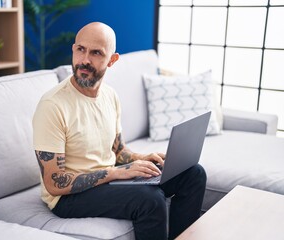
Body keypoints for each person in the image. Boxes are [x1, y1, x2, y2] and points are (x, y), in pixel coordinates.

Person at [32, 22, 206, 240]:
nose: (85, 60)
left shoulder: (110, 96)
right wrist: (116, 172)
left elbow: (118, 150)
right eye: (80, 49)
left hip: (108, 179)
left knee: (192, 174)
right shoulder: (52, 105)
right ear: (74, 50)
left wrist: (143, 159)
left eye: (96, 53)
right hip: (68, 198)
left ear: (112, 60)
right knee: (150, 199)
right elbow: (54, 183)